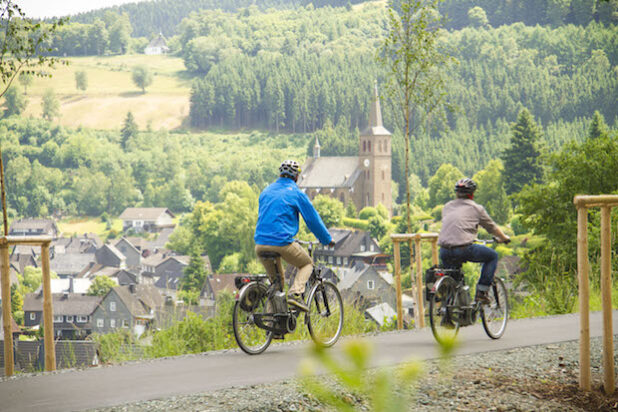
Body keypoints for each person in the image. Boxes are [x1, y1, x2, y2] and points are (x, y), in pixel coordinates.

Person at [254, 159, 335, 312]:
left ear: (280, 174)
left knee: (277, 284)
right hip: (281, 242)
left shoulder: (266, 191)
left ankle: (273, 325)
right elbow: (313, 220)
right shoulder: (297, 194)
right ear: (296, 177)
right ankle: (296, 294)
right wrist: (326, 239)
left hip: (260, 243)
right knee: (307, 264)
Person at [438, 178, 510, 304]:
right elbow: (491, 227)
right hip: (463, 249)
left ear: (456, 193)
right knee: (492, 256)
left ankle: (449, 311)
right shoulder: (476, 209)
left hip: (444, 250)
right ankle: (482, 292)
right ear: (472, 194)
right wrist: (504, 238)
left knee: (454, 281)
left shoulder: (447, 206)